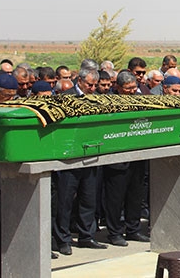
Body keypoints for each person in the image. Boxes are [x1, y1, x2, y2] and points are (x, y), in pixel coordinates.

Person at [54, 67, 107, 255]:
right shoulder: (66, 97)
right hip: (70, 158)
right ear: (80, 81)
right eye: (89, 85)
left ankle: (86, 236)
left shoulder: (98, 98)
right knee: (65, 201)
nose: (92, 88)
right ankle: (63, 239)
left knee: (88, 198)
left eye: (95, 85)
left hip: (91, 155)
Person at [102, 70, 150, 247]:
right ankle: (114, 232)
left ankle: (133, 229)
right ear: (118, 87)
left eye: (134, 87)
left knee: (135, 196)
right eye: (128, 88)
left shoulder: (141, 99)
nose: (132, 91)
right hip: (117, 159)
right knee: (115, 199)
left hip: (137, 156)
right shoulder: (109, 101)